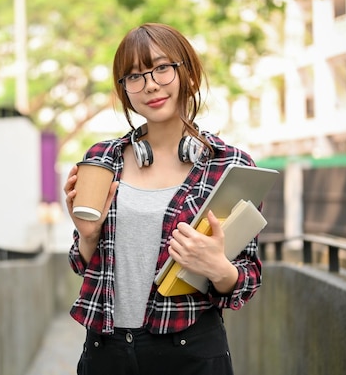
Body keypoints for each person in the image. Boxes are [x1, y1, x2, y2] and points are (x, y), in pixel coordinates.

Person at [63, 22, 262, 375]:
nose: (150, 84)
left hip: (190, 352)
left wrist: (219, 269)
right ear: (125, 90)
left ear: (188, 73)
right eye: (135, 76)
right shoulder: (103, 158)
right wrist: (88, 236)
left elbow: (247, 278)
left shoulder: (230, 166)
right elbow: (83, 265)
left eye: (162, 68)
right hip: (105, 351)